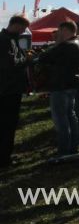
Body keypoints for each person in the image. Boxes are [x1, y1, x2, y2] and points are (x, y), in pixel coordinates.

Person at [37, 21, 79, 156]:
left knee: (61, 120)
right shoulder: (78, 43)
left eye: (59, 30)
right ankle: (73, 147)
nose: (57, 33)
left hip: (60, 86)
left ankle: (64, 151)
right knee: (70, 116)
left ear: (64, 30)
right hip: (71, 85)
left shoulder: (66, 46)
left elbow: (44, 57)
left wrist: (57, 42)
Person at [0, 15, 31, 168]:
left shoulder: (9, 39)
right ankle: (4, 159)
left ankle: (6, 154)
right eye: (23, 28)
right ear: (16, 25)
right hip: (8, 90)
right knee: (7, 124)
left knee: (8, 124)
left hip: (10, 88)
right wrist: (27, 59)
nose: (23, 32)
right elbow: (9, 64)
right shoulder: (5, 40)